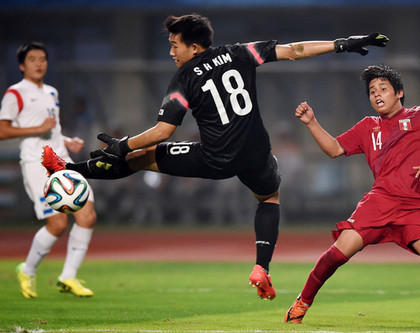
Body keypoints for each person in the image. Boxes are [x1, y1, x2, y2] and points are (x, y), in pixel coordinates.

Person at [41, 13, 389, 300]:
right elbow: (295, 50)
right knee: (268, 196)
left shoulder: (183, 79)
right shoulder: (241, 52)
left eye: (174, 45)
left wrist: (123, 145)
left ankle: (70, 169)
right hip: (255, 153)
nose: (171, 52)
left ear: (194, 46)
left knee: (143, 157)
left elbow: (163, 132)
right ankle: (262, 267)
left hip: (214, 158)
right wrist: (344, 43)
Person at [284, 64, 420, 322]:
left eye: (383, 89)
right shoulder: (367, 126)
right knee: (338, 252)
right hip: (379, 202)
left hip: (416, 205)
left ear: (399, 93)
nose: (377, 94)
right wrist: (312, 123)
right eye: (372, 91)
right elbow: (335, 149)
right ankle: (302, 302)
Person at [0, 42, 97, 298]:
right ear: (22, 65)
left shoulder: (52, 92)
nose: (39, 63)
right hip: (36, 163)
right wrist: (37, 129)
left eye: (42, 58)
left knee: (87, 216)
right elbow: (2, 130)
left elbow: (50, 129)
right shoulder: (15, 93)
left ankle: (68, 277)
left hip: (61, 160)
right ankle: (28, 270)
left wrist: (67, 141)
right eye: (32, 59)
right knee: (57, 224)